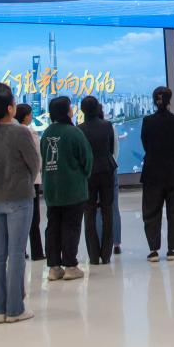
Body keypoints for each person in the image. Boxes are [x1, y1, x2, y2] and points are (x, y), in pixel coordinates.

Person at [0, 83, 40, 324]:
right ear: (9, 108)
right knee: (16, 254)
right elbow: (34, 163)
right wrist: (24, 179)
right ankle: (15, 309)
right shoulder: (20, 132)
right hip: (19, 197)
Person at [40, 96, 91, 283]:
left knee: (53, 227)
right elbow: (87, 160)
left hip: (52, 189)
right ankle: (70, 266)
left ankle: (54, 268)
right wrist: (83, 175)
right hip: (73, 189)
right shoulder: (74, 132)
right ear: (67, 111)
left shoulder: (46, 133)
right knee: (71, 226)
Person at [140, 86, 174, 262]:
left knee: (151, 210)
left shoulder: (147, 121)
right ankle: (172, 249)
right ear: (170, 101)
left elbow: (145, 144)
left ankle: (153, 250)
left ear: (154, 101)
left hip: (152, 171)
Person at [78, 96, 116, 265]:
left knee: (89, 212)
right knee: (108, 211)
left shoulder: (79, 129)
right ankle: (106, 254)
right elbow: (110, 148)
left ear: (82, 110)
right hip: (107, 169)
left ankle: (93, 255)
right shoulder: (107, 125)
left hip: (88, 173)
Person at [14, 104, 45, 261]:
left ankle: (20, 250)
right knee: (33, 217)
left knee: (19, 216)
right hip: (32, 179)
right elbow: (37, 156)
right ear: (26, 116)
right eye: (31, 114)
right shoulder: (29, 132)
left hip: (17, 179)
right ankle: (37, 252)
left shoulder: (12, 131)